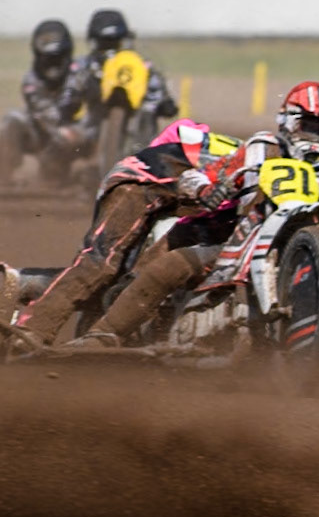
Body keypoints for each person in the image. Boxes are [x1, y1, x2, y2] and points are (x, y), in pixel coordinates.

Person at [69, 82, 319, 347]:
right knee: (167, 265)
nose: (315, 139)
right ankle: (104, 333)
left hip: (301, 257)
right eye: (309, 127)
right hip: (236, 243)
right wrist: (206, 189)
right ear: (289, 122)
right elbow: (207, 174)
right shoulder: (262, 146)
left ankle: (302, 334)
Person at [12, 115, 246, 347]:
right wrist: (202, 186)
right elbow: (187, 169)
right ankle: (34, 327)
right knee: (101, 264)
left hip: (193, 207)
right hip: (139, 182)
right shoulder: (250, 159)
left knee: (146, 275)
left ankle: (119, 330)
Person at [55, 9, 179, 144]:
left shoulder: (140, 64)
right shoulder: (85, 65)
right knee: (63, 138)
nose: (110, 53)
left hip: (138, 129)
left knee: (148, 113)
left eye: (115, 44)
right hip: (92, 129)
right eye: (104, 45)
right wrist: (67, 107)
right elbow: (71, 89)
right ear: (94, 42)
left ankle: (144, 150)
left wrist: (164, 102)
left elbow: (157, 88)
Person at [0, 19, 84, 186]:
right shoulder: (31, 81)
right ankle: (4, 181)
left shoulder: (82, 73)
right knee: (11, 120)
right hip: (45, 135)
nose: (53, 68)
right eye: (47, 60)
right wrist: (63, 133)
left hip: (80, 133)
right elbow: (46, 115)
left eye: (57, 60)